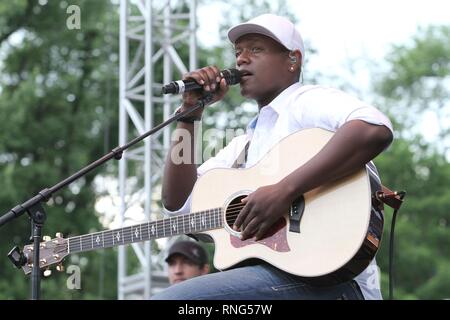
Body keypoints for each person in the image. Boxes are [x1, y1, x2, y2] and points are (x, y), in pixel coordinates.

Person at [153, 14, 393, 300]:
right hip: (272, 281)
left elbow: (373, 128)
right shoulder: (243, 145)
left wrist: (284, 190)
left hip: (331, 284)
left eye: (256, 49)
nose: (241, 59)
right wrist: (190, 116)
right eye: (238, 52)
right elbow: (180, 205)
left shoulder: (304, 101)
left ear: (293, 60)